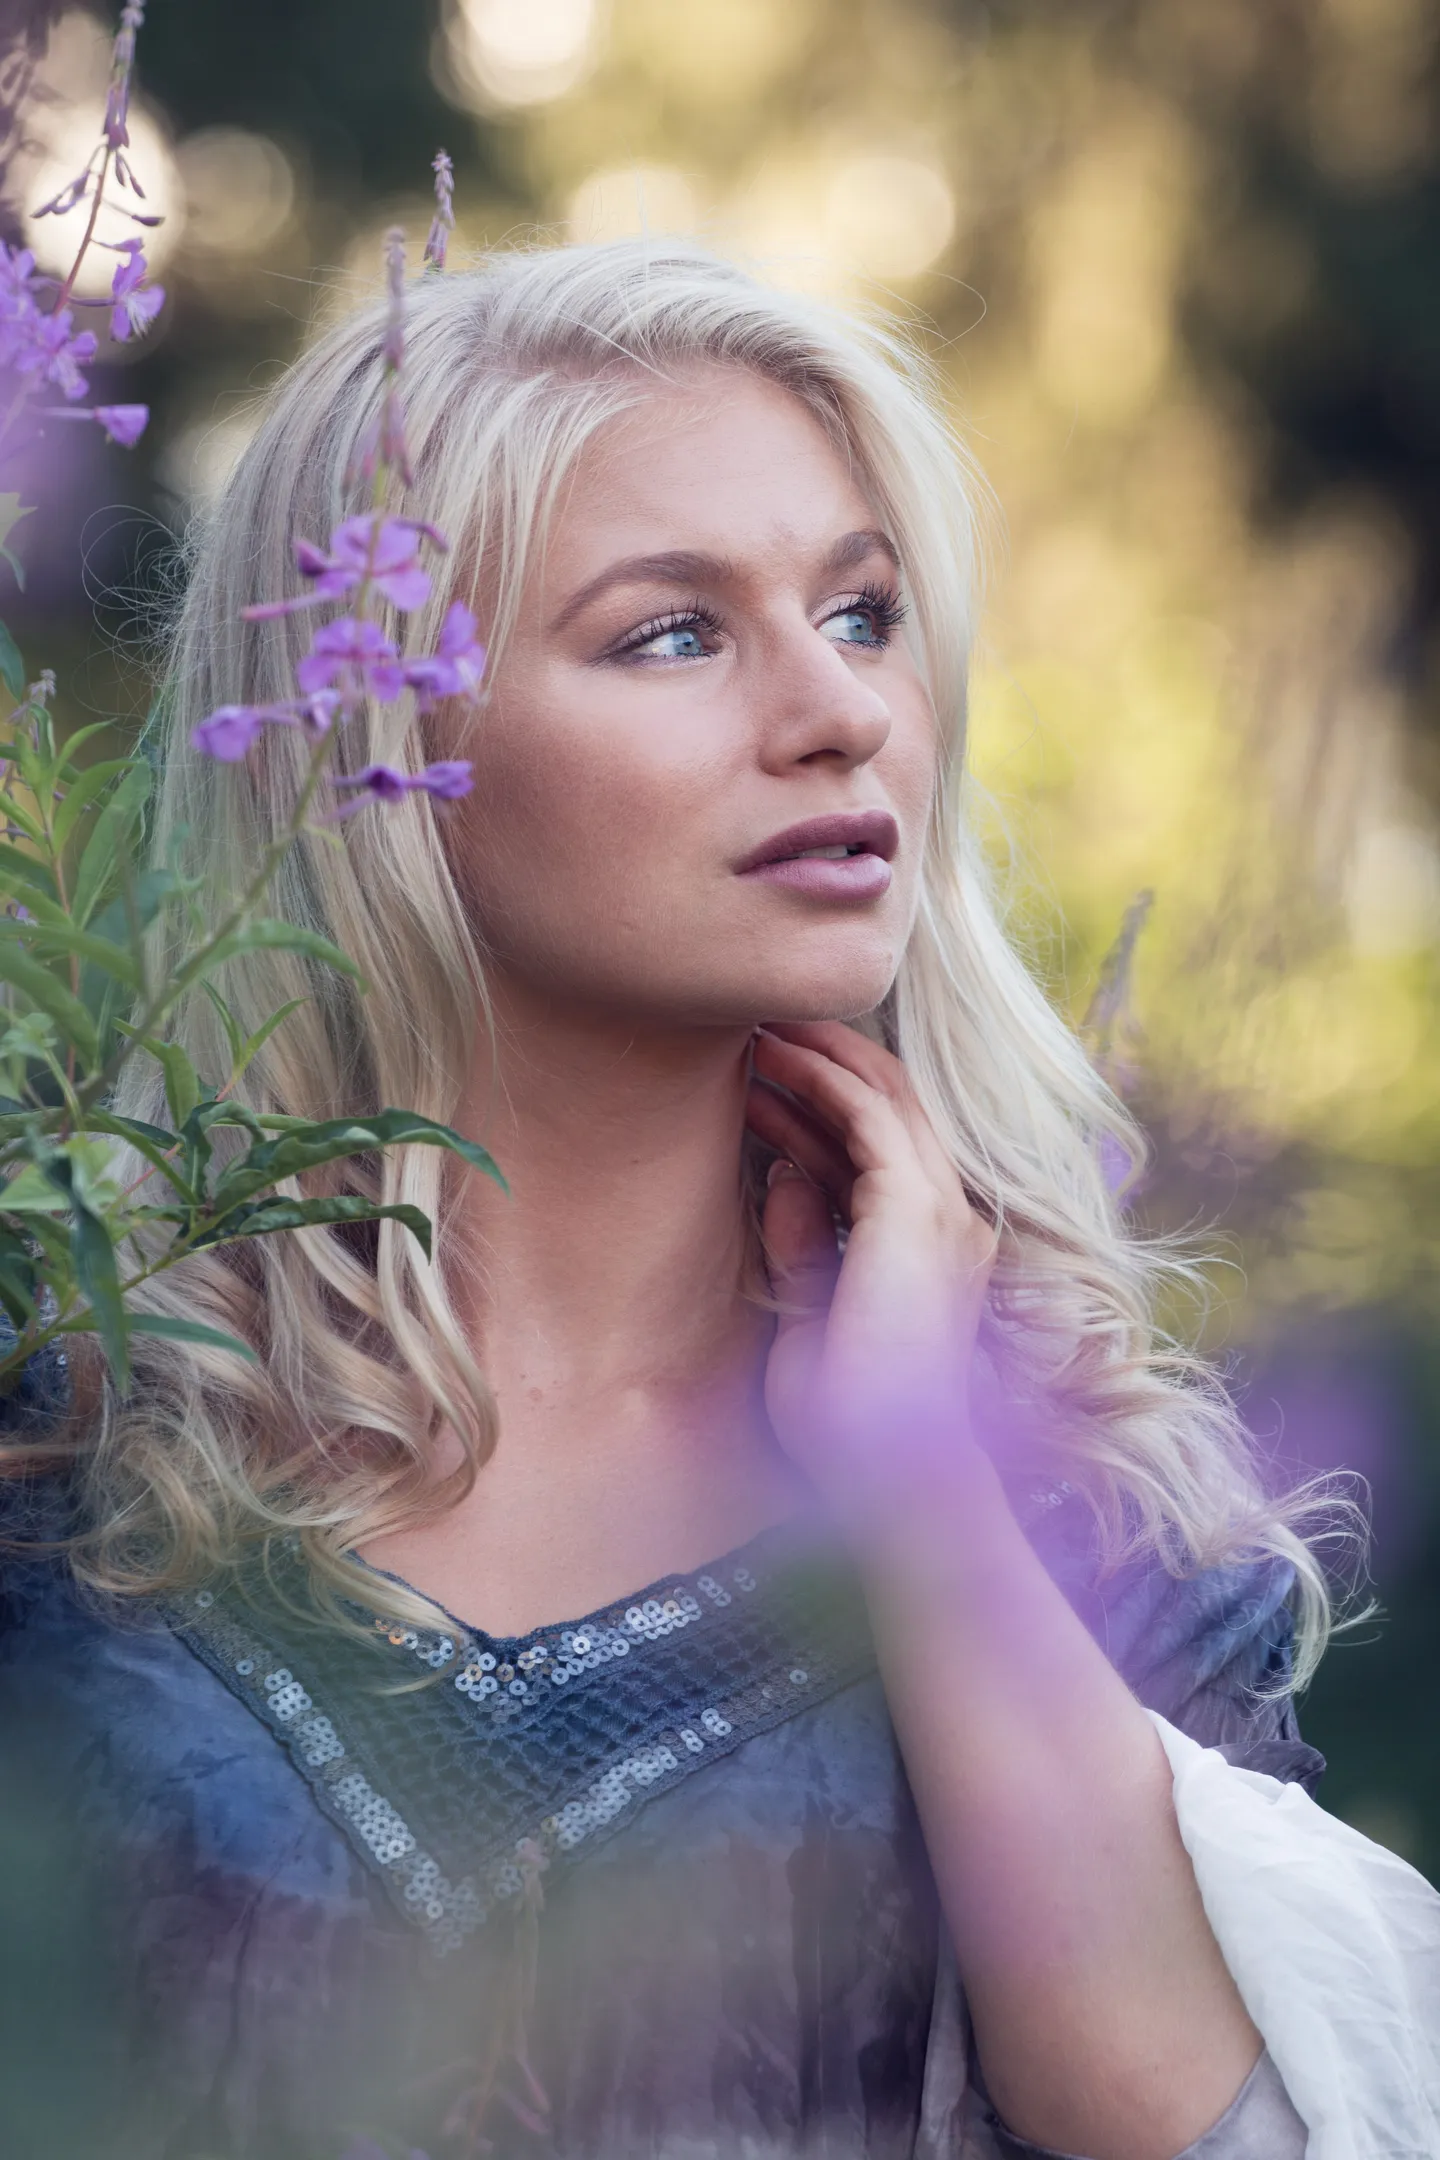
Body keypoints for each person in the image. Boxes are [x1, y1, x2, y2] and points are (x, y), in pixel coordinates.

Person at [1, 239, 1436, 2160]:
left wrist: (916, 1467)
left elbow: (1222, 2128)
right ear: (379, 747)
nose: (841, 713)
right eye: (671, 633)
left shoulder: (1086, 1517)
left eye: (863, 612)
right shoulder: (69, 1483)